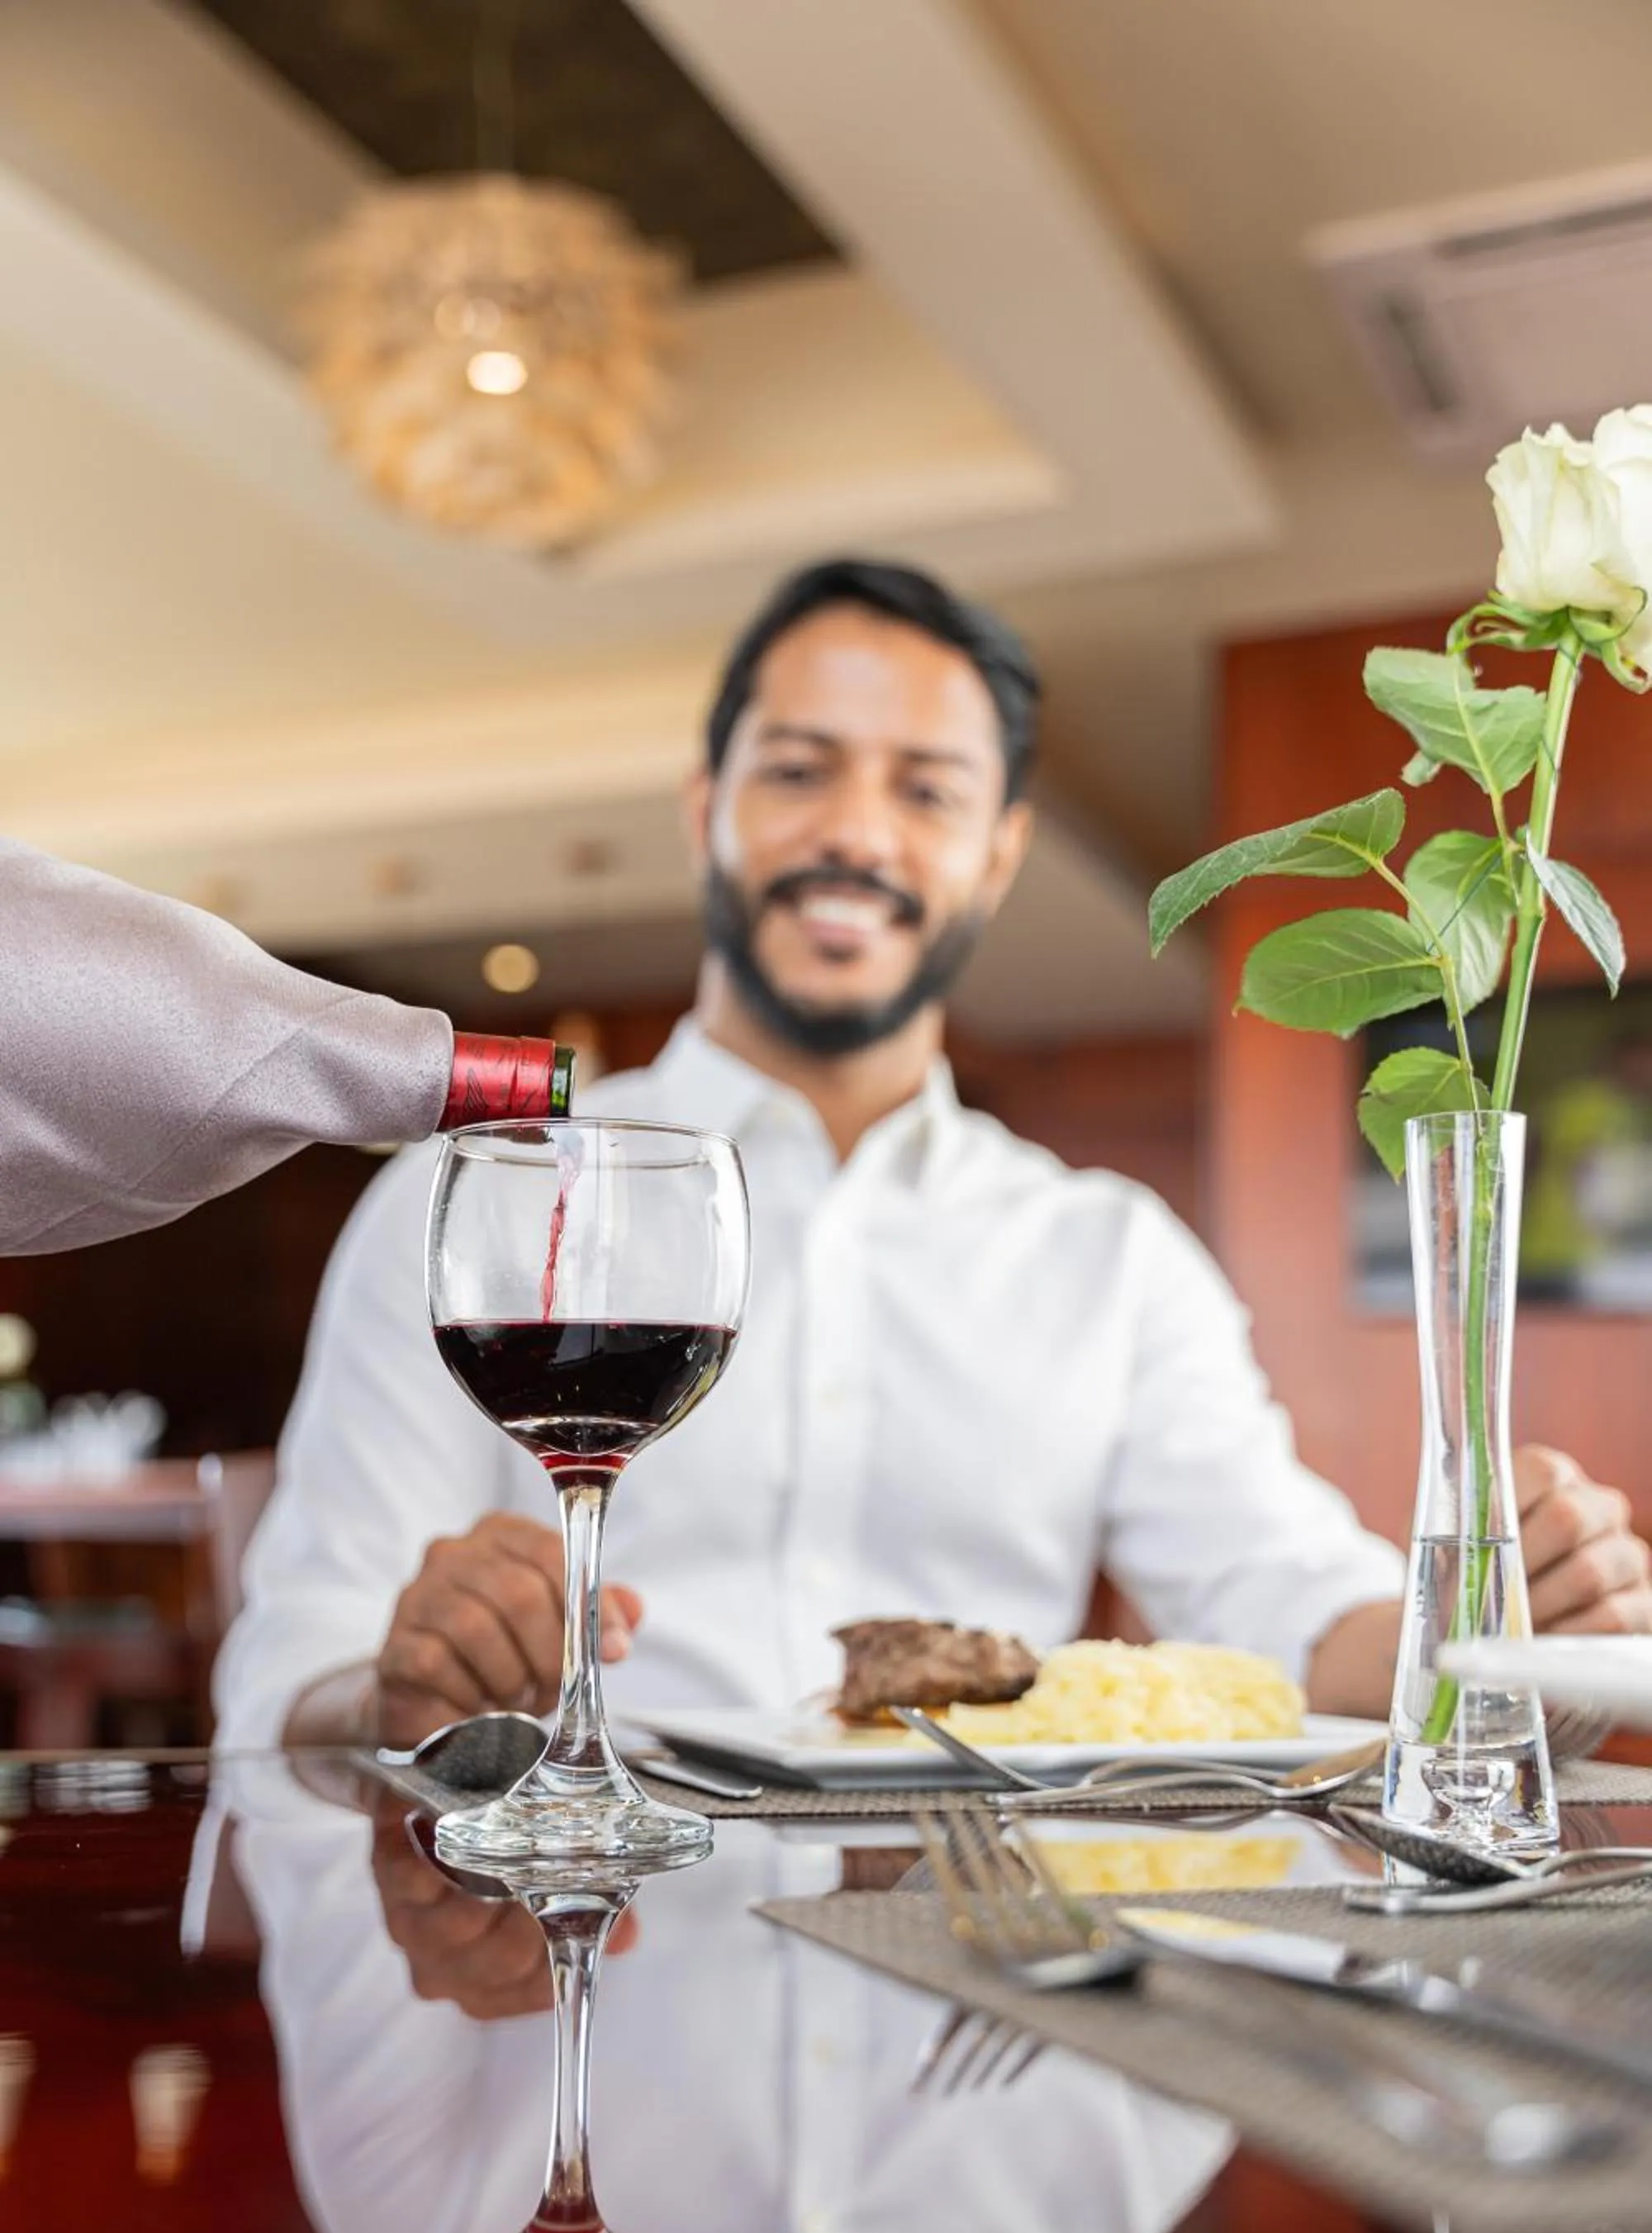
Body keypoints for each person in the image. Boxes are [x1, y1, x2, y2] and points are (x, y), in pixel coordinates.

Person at [212, 558, 1652, 1755]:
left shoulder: (1112, 1254)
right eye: (799, 771)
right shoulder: (473, 1206)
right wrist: (407, 1679)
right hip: (572, 1991)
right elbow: (289, 1683)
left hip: (1001, 2022)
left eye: (927, 790)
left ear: (1000, 852)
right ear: (705, 807)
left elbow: (1286, 1602)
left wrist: (1503, 1633)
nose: (855, 832)